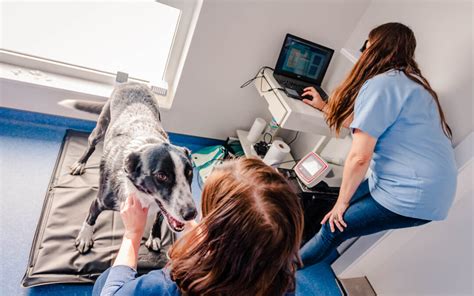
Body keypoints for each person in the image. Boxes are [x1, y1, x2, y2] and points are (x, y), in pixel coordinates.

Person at [299, 22, 457, 267]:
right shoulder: (413, 83)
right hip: (431, 190)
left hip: (412, 192)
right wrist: (323, 106)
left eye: (367, 44)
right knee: (335, 209)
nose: (363, 49)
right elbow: (364, 122)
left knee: (334, 227)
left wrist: (342, 203)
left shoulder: (382, 84)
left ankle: (273, 278)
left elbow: (360, 157)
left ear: (375, 46)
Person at [93, 157, 304, 296]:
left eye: (207, 214)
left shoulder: (169, 286)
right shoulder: (282, 280)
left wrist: (132, 234)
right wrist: (193, 226)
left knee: (105, 280)